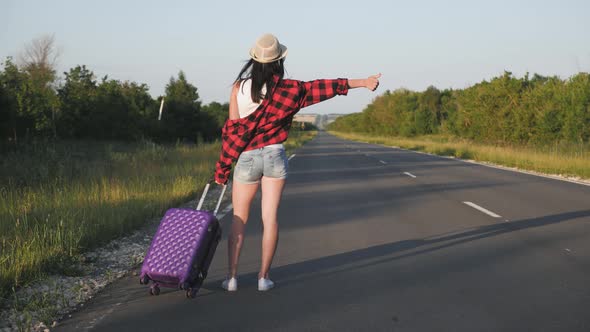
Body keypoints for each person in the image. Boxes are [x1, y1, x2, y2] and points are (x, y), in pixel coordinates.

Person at [214, 33, 380, 291]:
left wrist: (223, 168)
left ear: (254, 60)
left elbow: (233, 132)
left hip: (246, 157)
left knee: (238, 218)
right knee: (270, 218)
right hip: (275, 155)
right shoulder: (291, 90)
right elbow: (325, 86)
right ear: (279, 60)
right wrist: (363, 82)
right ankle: (263, 278)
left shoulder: (239, 88)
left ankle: (232, 278)